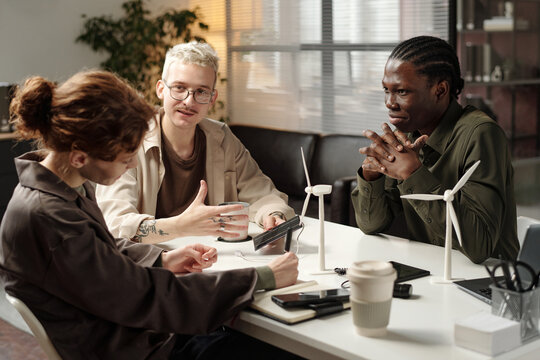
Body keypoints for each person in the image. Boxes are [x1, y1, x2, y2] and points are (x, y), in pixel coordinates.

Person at [0, 70, 300, 359]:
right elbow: (147, 296)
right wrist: (261, 277)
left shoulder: (62, 189)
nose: (132, 165)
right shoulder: (51, 218)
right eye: (126, 157)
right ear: (79, 155)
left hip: (134, 334)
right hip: (137, 349)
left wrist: (161, 259)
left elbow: (100, 250)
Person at [96, 41, 294, 244]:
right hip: (152, 262)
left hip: (212, 257)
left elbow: (264, 195)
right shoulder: (129, 139)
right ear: (160, 89)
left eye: (201, 91)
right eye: (179, 88)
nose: (189, 101)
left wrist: (275, 216)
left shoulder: (223, 139)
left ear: (212, 98)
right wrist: (181, 226)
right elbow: (115, 224)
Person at [351, 35, 519, 264]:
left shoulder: (481, 133)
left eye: (401, 92)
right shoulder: (408, 133)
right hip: (432, 273)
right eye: (386, 90)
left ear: (440, 90)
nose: (389, 102)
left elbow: (481, 245)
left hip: (488, 280)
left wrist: (413, 174)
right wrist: (371, 178)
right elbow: (371, 225)